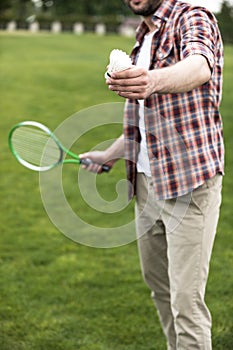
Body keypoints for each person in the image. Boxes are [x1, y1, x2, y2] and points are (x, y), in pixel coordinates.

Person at [80, 0, 224, 349]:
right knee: (160, 288)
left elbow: (199, 65)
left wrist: (153, 80)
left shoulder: (192, 17)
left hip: (188, 183)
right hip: (146, 183)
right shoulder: (143, 35)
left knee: (186, 303)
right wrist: (111, 155)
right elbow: (147, 121)